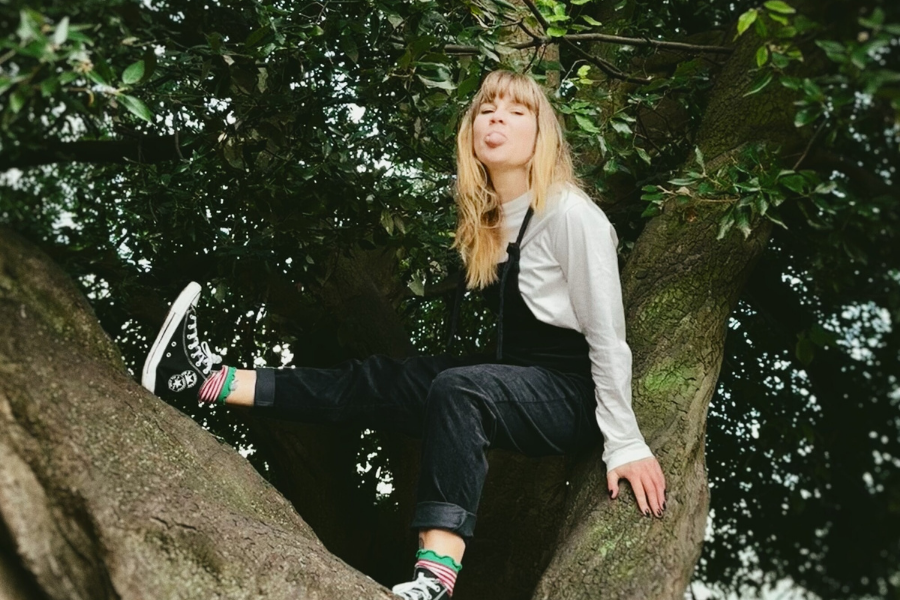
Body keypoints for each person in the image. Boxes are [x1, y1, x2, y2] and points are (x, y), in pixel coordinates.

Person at [141, 69, 666, 600]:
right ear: (471, 131)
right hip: (516, 372)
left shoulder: (571, 215)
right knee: (381, 379)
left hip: (570, 393)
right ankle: (206, 379)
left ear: (541, 134)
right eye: (487, 110)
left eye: (516, 111)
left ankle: (435, 579)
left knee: (462, 389)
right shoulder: (488, 218)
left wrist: (624, 443)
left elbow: (607, 338)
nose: (497, 118)